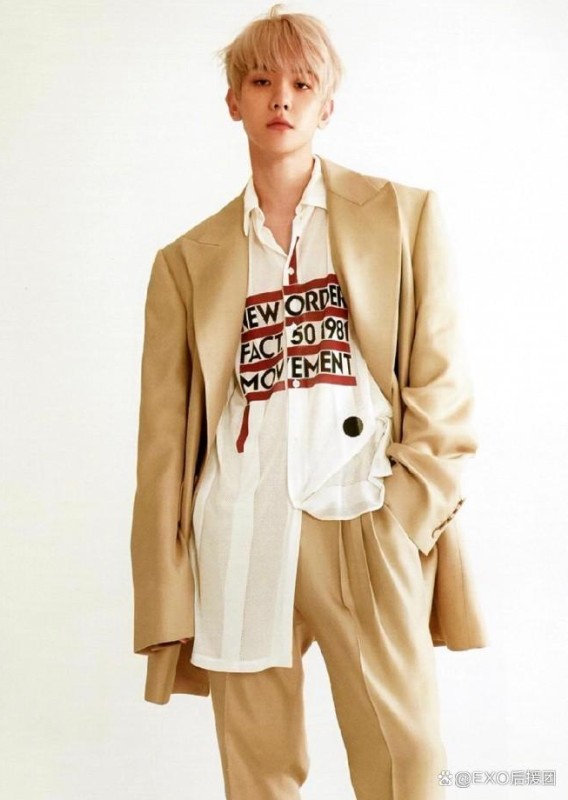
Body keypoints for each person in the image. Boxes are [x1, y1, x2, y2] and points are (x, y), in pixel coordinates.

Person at [130, 5, 488, 799]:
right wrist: (163, 581)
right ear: (234, 101)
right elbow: (162, 447)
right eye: (261, 81)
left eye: (301, 83)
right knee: (258, 775)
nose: (281, 98)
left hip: (362, 515)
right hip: (239, 529)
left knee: (406, 761)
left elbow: (440, 383)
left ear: (328, 103)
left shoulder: (401, 215)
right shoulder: (186, 263)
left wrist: (405, 515)